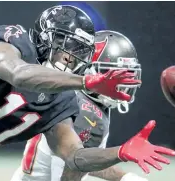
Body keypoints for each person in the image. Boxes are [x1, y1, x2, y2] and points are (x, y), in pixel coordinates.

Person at [0, 5, 173, 181]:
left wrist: (119, 152)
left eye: (80, 50)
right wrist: (86, 81)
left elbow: (74, 157)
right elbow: (18, 74)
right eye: (69, 45)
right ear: (46, 37)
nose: (72, 56)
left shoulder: (61, 100)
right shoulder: (15, 42)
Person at [10, 30, 149, 181]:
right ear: (90, 70)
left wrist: (125, 177)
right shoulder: (85, 114)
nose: (121, 83)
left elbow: (87, 161)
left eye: (127, 74)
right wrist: (120, 153)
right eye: (114, 75)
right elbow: (72, 168)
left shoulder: (78, 98)